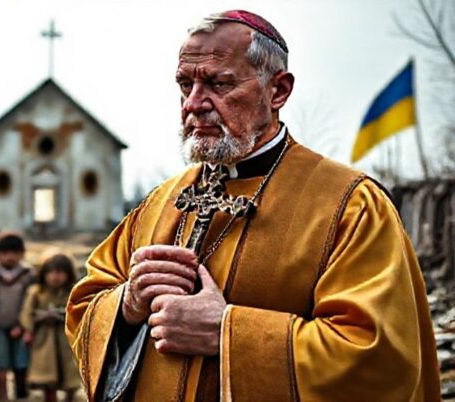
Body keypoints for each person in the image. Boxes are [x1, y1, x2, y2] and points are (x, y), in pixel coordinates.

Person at [66, 9, 441, 402]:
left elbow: (379, 359)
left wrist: (228, 333)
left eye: (219, 83)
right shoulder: (158, 204)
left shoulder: (350, 206)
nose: (194, 104)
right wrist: (127, 305)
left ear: (277, 91)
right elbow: (85, 307)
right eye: (185, 85)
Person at [20, 252, 80, 402]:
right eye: (51, 272)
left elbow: (78, 312)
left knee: (70, 374)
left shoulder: (72, 292)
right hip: (44, 338)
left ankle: (69, 398)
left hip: (66, 337)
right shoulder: (36, 292)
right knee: (47, 377)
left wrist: (62, 316)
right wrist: (29, 329)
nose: (55, 277)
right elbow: (27, 312)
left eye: (60, 273)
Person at [0, 231, 35, 401]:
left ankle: (21, 395)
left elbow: (29, 303)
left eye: (15, 253)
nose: (9, 257)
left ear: (22, 253)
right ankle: (1, 396)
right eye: (5, 253)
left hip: (20, 326)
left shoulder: (28, 275)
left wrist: (22, 325)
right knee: (0, 365)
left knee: (21, 363)